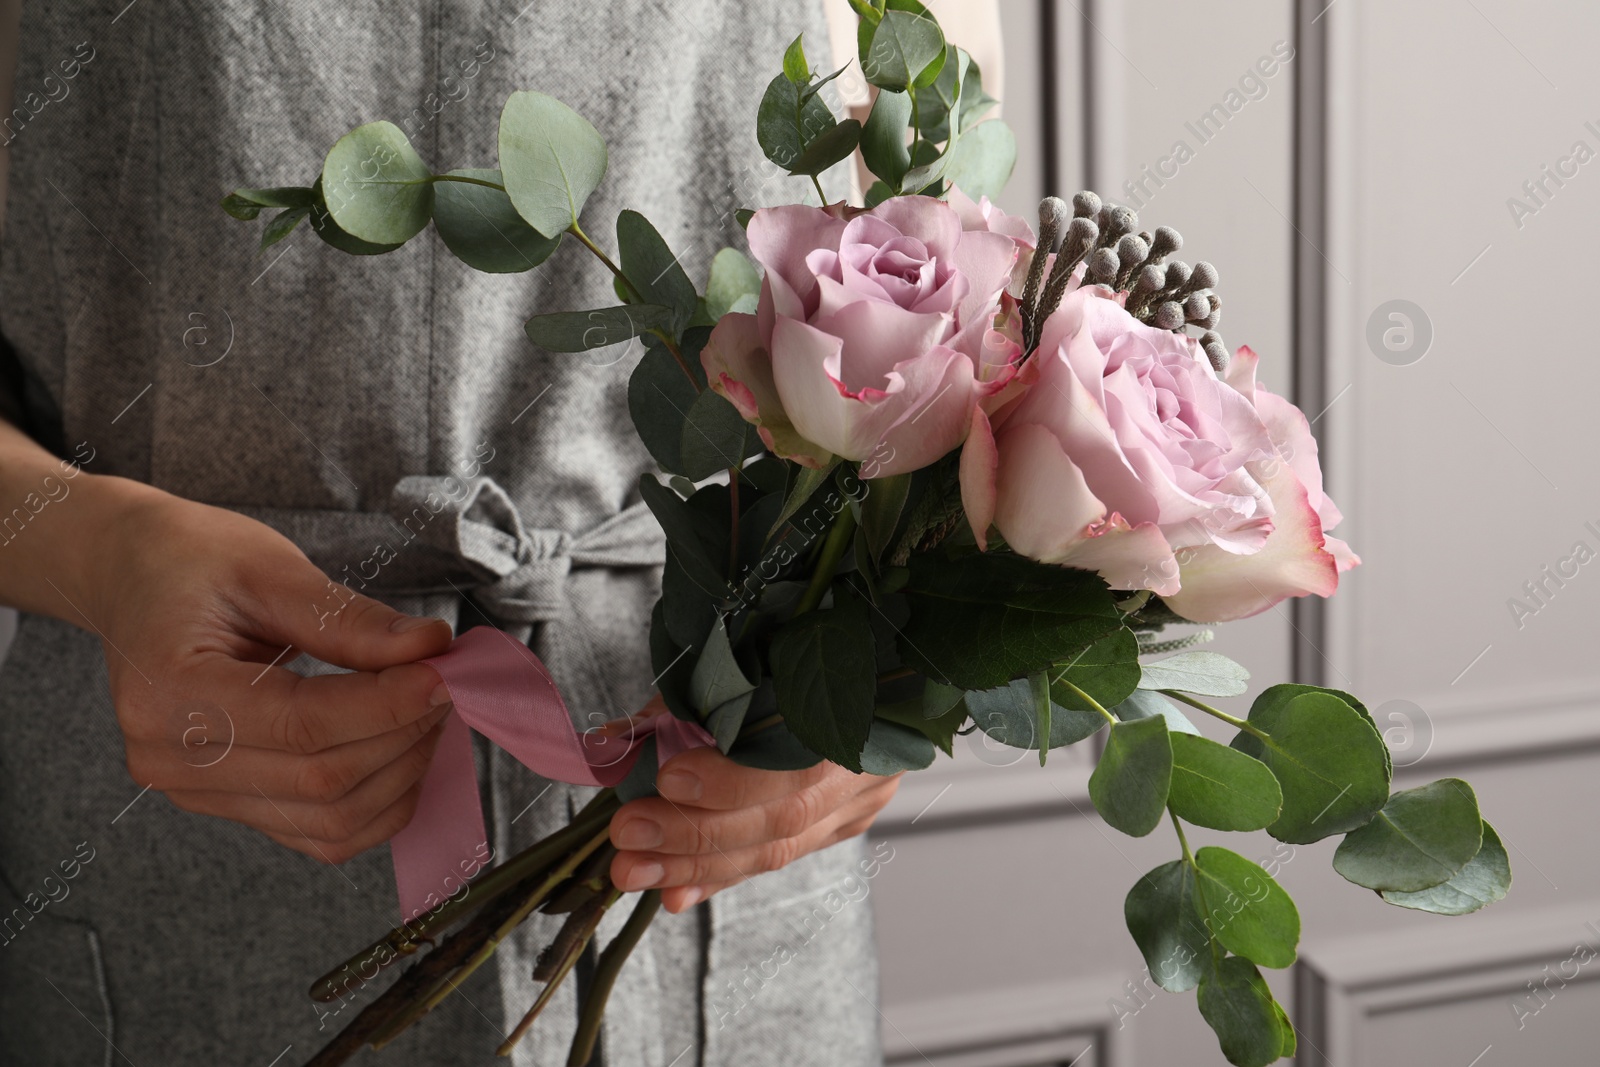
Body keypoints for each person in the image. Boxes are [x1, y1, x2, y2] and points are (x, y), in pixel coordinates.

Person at [0, 0, 1017, 1061]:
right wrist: (103, 553)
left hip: (723, 851)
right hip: (167, 860)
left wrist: (871, 684)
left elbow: (951, 325)